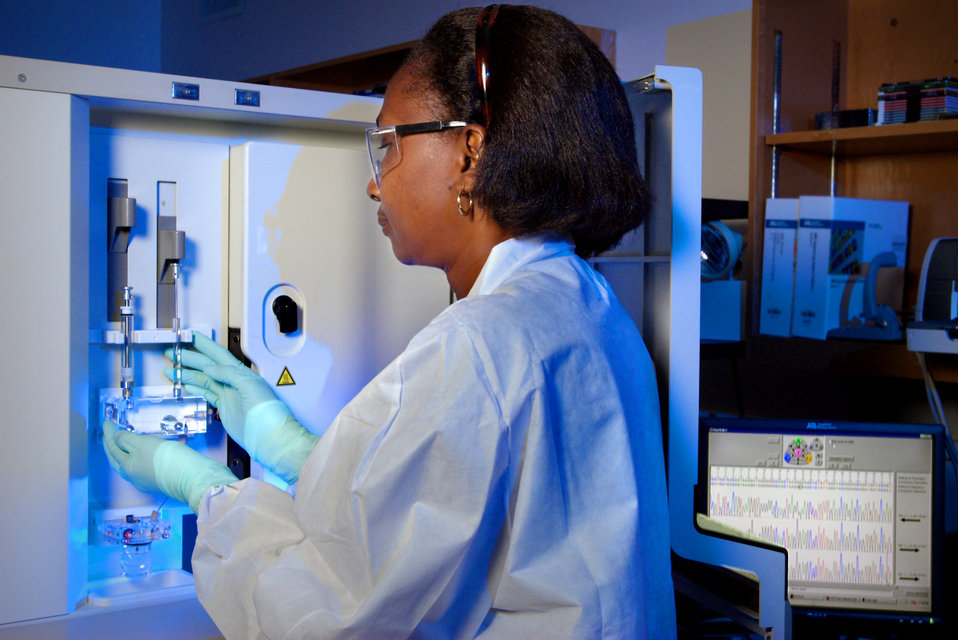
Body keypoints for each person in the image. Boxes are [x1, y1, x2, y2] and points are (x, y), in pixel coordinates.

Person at [102, 5, 676, 638]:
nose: (374, 186)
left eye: (387, 144)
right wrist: (291, 447)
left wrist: (205, 490)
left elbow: (333, 618)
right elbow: (451, 511)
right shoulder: (591, 308)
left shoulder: (476, 347)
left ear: (470, 152)